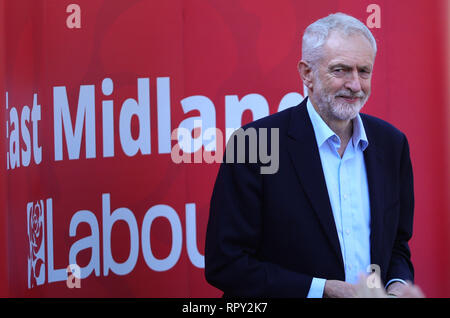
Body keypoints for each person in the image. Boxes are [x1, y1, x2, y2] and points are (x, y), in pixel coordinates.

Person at [205, 12, 421, 298]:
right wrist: (322, 290)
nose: (355, 85)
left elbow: (397, 247)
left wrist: (397, 286)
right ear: (307, 73)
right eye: (340, 70)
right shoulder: (254, 143)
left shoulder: (392, 145)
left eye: (364, 71)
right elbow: (227, 263)